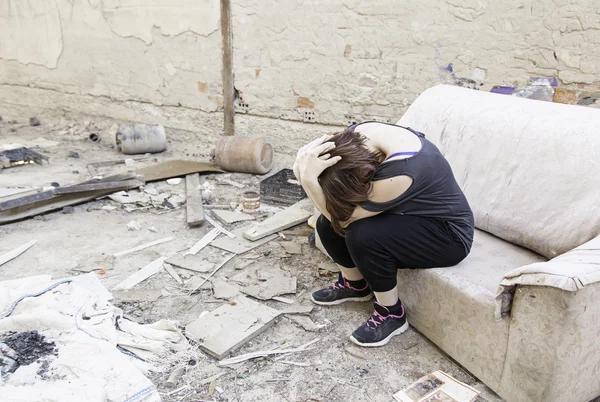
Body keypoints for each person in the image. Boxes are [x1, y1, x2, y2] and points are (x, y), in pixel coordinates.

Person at [293, 121, 474, 347]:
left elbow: (344, 221)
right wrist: (303, 163)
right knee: (324, 223)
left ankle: (392, 314)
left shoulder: (401, 173)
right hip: (407, 213)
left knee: (362, 233)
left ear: (370, 172)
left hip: (447, 235)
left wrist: (308, 180)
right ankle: (355, 285)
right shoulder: (358, 135)